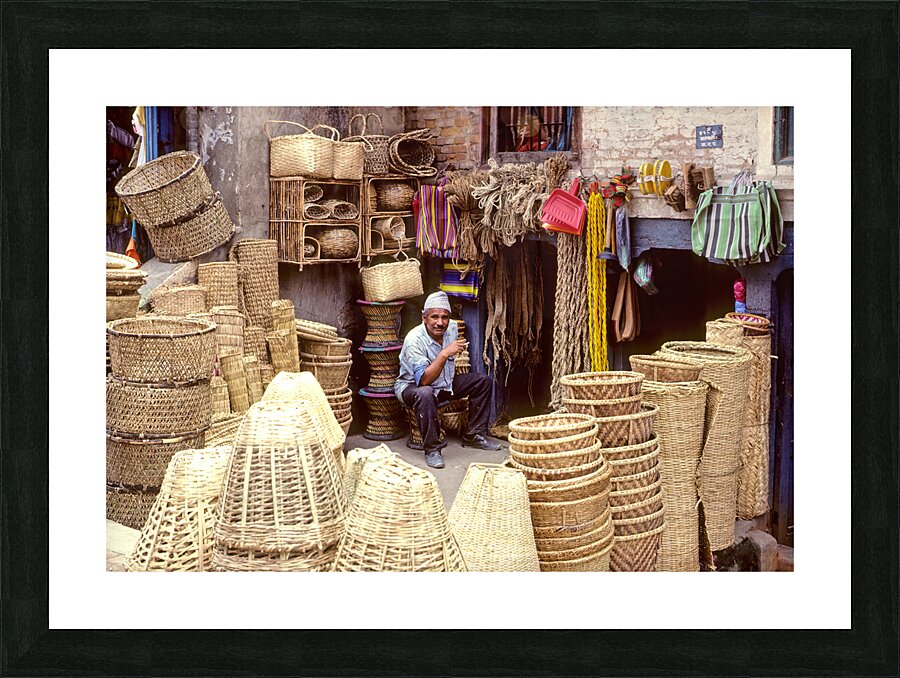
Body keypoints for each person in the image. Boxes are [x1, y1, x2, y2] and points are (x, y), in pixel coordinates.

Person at [395, 291, 502, 469]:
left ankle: (473, 436)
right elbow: (423, 381)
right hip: (412, 387)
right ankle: (432, 449)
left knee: (482, 382)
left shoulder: (451, 328)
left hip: (444, 384)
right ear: (424, 317)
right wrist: (444, 353)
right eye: (434, 317)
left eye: (444, 317)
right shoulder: (414, 340)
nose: (440, 322)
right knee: (425, 393)